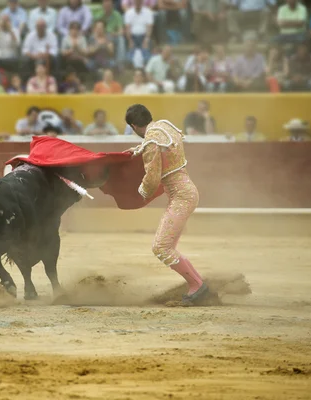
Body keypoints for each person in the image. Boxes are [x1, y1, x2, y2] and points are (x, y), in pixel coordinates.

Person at [125, 104, 207, 305]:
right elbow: (160, 148)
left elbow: (152, 179)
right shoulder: (163, 126)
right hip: (186, 192)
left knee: (161, 247)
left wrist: (139, 194)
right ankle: (198, 284)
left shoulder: (151, 141)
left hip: (181, 197)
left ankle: (198, 285)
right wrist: (138, 150)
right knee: (166, 245)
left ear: (134, 126)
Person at [124, 0, 154, 67]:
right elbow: (127, 28)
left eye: (139, 1)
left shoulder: (148, 12)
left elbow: (149, 27)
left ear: (142, 2)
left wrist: (146, 39)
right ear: (134, 2)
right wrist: (130, 40)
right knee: (128, 59)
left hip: (144, 36)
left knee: (147, 57)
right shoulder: (128, 13)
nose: (138, 3)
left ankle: (145, 65)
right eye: (136, 1)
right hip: (132, 37)